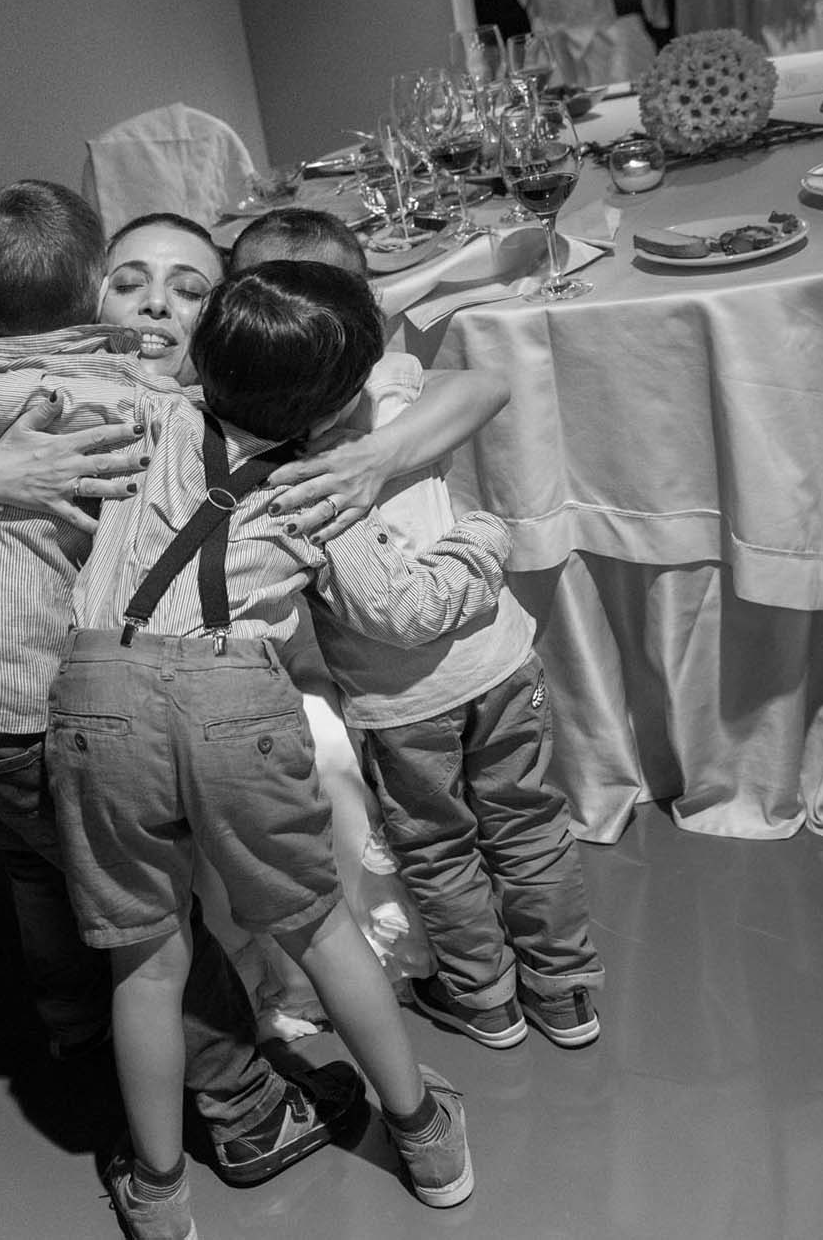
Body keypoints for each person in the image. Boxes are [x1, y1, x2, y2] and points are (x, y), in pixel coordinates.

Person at [0, 184, 374, 1190]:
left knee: (37, 864)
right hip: (13, 703)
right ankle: (248, 1112)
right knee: (150, 926)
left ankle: (72, 1021)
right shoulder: (149, 412)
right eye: (130, 282)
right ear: (93, 294)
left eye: (187, 289)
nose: (155, 305)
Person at [40, 262, 503, 1238]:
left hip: (98, 691)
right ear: (336, 405)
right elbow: (403, 602)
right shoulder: (326, 482)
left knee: (144, 964)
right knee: (318, 926)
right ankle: (424, 1138)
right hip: (235, 698)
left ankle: (159, 1196)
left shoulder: (141, 412)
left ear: (201, 351)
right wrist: (483, 542)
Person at [231, 211, 607, 1053]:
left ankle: (486, 999)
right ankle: (566, 989)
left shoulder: (284, 455)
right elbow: (483, 385)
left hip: (403, 702)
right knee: (529, 824)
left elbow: (396, 612)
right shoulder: (393, 378)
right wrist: (486, 531)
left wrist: (469, 529)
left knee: (439, 849)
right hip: (500, 661)